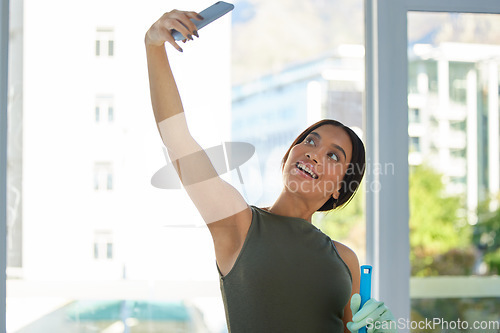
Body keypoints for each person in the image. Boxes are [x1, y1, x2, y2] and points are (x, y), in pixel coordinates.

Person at [145, 8, 397, 333]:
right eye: (309, 140)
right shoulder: (239, 225)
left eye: (333, 156)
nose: (313, 153)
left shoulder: (346, 259)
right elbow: (178, 140)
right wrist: (153, 46)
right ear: (289, 154)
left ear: (340, 188)